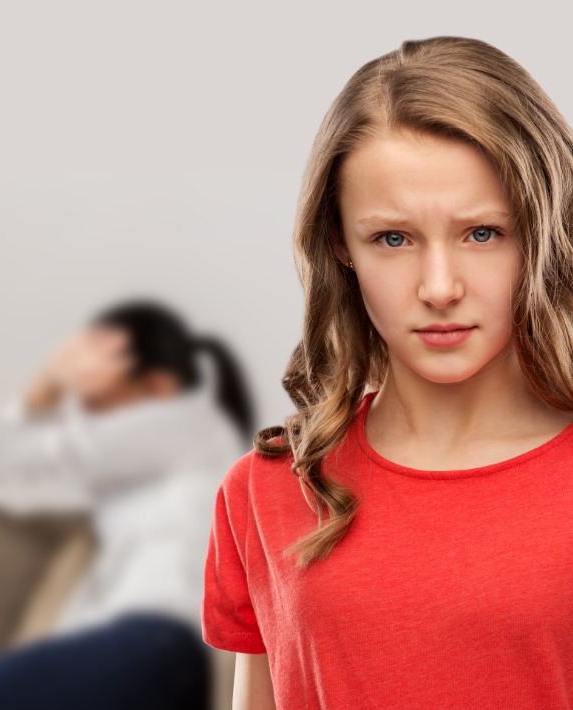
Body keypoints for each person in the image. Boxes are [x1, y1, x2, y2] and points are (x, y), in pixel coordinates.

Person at [202, 36, 573, 710]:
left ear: (543, 232)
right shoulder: (266, 488)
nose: (439, 288)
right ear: (340, 244)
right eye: (393, 238)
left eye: (483, 233)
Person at [0, 301, 254, 710]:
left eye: (99, 405)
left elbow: (48, 452)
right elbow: (23, 446)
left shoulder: (196, 427)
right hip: (113, 650)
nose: (87, 417)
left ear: (157, 386)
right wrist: (41, 394)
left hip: (160, 648)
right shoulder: (135, 475)